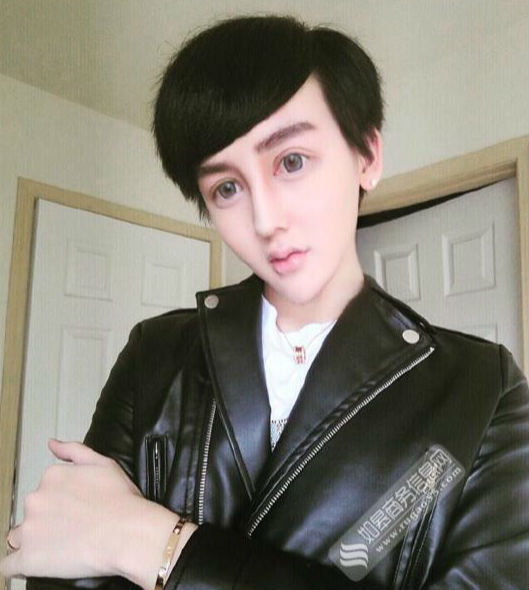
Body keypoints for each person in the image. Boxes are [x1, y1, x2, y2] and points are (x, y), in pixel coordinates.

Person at [2, 15, 529, 590]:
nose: (265, 219)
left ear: (367, 156)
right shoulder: (158, 352)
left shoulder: (481, 390)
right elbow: (64, 556)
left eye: (291, 161)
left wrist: (153, 542)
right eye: (227, 188)